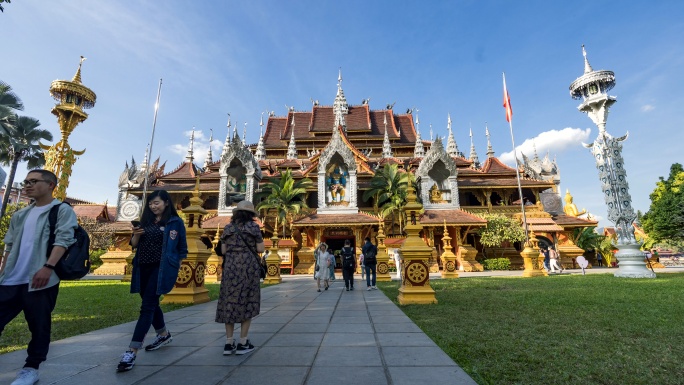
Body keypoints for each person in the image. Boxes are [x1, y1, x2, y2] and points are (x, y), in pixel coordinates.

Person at [0, 170, 77, 385]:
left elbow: (64, 239)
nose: (27, 185)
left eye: (34, 181)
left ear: (51, 184)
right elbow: (10, 244)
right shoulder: (20, 214)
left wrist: (48, 267)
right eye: (26, 182)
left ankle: (31, 368)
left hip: (41, 280)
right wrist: (2, 271)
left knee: (39, 326)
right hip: (11, 280)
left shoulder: (61, 210)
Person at [118, 190, 188, 372]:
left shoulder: (175, 222)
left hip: (162, 268)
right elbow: (134, 244)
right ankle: (163, 334)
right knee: (150, 302)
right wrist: (136, 233)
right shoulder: (146, 221)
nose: (153, 206)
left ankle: (131, 351)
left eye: (156, 203)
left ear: (166, 202)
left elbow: (182, 249)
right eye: (150, 203)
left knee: (147, 307)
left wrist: (175, 266)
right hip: (142, 267)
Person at [216, 200, 265, 356]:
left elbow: (223, 250)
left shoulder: (228, 228)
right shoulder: (253, 227)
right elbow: (260, 248)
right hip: (248, 267)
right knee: (247, 301)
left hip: (230, 267)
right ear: (251, 215)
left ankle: (229, 343)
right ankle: (243, 342)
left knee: (229, 302)